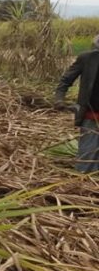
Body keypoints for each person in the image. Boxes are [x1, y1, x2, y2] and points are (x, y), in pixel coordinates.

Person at [54, 34, 99, 173]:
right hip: (92, 114)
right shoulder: (87, 59)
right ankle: (83, 180)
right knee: (88, 154)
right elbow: (66, 80)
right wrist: (59, 98)